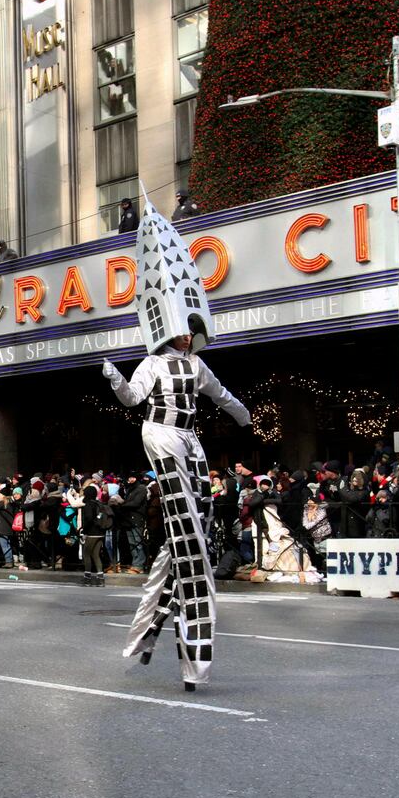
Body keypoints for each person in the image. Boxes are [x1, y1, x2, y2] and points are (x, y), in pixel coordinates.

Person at [102, 196, 251, 691]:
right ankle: (192, 656)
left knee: (196, 528)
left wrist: (241, 413)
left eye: (192, 331)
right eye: (182, 331)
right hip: (160, 435)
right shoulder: (152, 363)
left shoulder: (198, 365)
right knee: (187, 531)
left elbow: (222, 394)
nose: (188, 337)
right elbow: (131, 399)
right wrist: (114, 377)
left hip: (189, 437)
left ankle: (153, 630)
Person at [80, 484, 108, 585]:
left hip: (91, 533)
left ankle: (87, 578)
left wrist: (84, 531)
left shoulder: (88, 504)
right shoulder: (98, 503)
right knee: (96, 555)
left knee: (86, 554)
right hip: (100, 532)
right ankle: (100, 579)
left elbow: (88, 518)